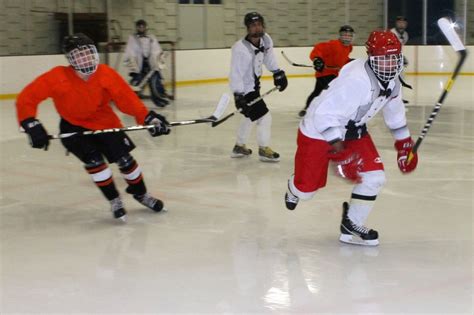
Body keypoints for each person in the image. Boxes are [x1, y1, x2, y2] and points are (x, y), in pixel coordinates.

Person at [16, 33, 171, 221]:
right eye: (79, 55)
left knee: (125, 160)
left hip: (104, 121)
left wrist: (147, 118)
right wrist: (30, 122)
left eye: (88, 53)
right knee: (95, 162)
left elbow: (127, 99)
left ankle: (141, 194)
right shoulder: (57, 76)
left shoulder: (105, 73)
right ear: (70, 59)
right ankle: (114, 200)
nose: (85, 58)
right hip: (73, 126)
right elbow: (27, 97)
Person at [284, 30, 419, 246]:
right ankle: (294, 186)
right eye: (383, 58)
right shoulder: (357, 80)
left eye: (394, 58)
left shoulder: (394, 81)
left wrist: (404, 145)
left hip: (353, 128)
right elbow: (324, 115)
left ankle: (351, 224)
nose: (390, 64)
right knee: (306, 191)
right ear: (371, 58)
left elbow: (394, 112)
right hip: (319, 130)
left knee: (374, 178)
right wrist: (341, 152)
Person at [229, 12, 288, 162]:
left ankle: (239, 146)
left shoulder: (266, 40)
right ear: (248, 28)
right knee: (264, 116)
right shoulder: (239, 49)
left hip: (255, 86)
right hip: (245, 89)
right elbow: (236, 73)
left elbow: (269, 59)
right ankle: (263, 148)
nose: (257, 28)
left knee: (251, 116)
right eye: (253, 25)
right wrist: (238, 95)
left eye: (259, 24)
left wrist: (277, 72)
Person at [298, 25, 355, 118]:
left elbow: (341, 59)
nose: (347, 37)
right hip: (324, 74)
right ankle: (326, 111)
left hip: (333, 74)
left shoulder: (349, 48)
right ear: (340, 35)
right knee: (332, 92)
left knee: (317, 92)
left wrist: (349, 61)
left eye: (349, 35)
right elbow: (319, 48)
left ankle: (307, 108)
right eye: (345, 35)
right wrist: (317, 59)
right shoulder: (334, 44)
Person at [124, 19, 170, 107]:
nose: (141, 28)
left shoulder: (151, 37)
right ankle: (129, 101)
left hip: (150, 63)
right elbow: (130, 51)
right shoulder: (132, 38)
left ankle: (158, 100)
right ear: (137, 28)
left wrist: (159, 58)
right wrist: (132, 65)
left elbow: (157, 49)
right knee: (136, 82)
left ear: (146, 27)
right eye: (139, 27)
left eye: (143, 26)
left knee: (154, 81)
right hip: (138, 64)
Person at [390, 16, 411, 103]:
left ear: (406, 24)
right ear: (396, 23)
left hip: (397, 59)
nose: (401, 24)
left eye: (403, 23)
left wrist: (401, 56)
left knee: (401, 78)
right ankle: (390, 97)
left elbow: (399, 48)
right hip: (389, 59)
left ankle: (398, 98)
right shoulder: (391, 33)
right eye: (399, 22)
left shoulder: (405, 35)